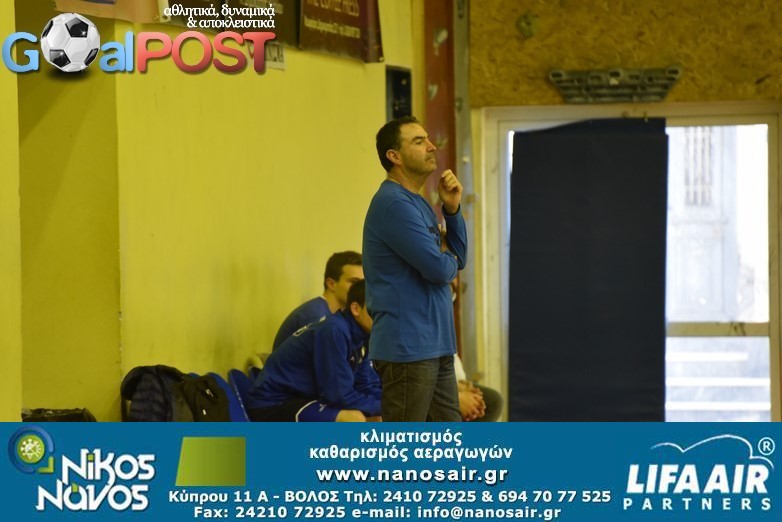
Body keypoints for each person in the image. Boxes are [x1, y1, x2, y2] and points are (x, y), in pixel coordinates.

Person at [363, 116, 468, 422]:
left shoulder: (418, 203)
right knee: (405, 446)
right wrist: (446, 256)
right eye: (419, 141)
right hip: (408, 348)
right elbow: (440, 270)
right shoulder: (393, 204)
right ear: (394, 156)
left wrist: (452, 210)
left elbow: (458, 259)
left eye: (428, 139)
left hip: (437, 344)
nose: (431, 146)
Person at [245, 280, 381, 422]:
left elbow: (365, 384)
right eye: (379, 310)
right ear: (356, 309)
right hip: (273, 403)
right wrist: (384, 406)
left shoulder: (362, 335)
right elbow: (339, 396)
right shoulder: (334, 331)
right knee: (353, 419)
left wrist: (390, 404)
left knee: (377, 416)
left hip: (302, 399)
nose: (386, 318)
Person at [272, 251, 363, 351]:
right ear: (331, 284)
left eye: (363, 283)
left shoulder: (335, 317)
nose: (362, 288)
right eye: (354, 282)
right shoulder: (316, 316)